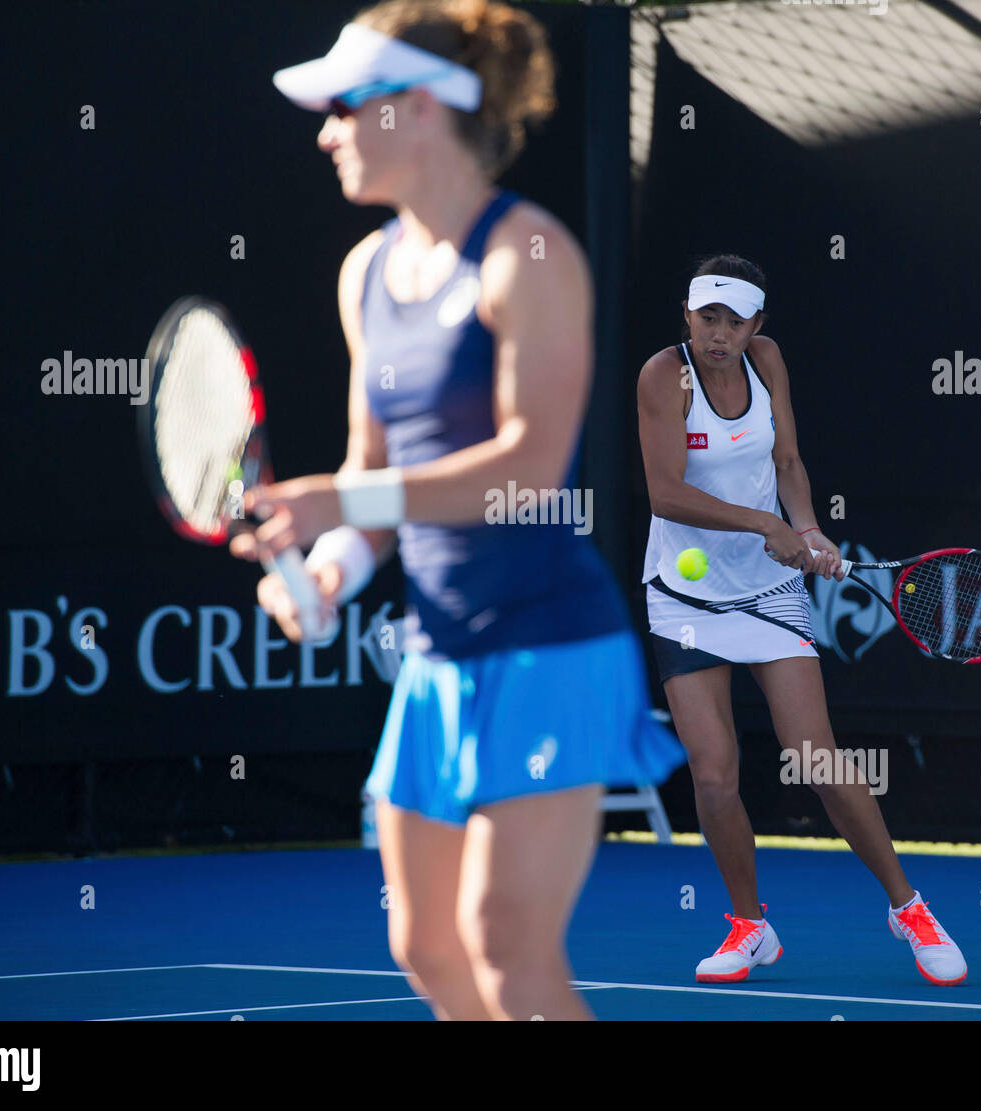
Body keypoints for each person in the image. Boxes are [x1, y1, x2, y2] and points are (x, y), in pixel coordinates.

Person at [232, 0, 684, 1020]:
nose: (327, 130)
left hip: (552, 649)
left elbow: (528, 466)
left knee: (508, 944)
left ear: (420, 108)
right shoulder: (365, 276)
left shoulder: (530, 255)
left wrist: (333, 502)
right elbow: (376, 479)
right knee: (426, 947)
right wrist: (336, 567)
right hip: (438, 658)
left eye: (346, 105)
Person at [636, 255, 967, 986]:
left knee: (817, 757)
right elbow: (664, 492)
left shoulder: (767, 362)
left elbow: (786, 458)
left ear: (757, 325)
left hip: (770, 589)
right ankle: (750, 927)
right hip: (684, 597)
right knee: (715, 774)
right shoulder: (665, 376)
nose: (719, 334)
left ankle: (908, 908)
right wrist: (764, 524)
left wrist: (808, 527)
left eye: (735, 321)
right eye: (707, 317)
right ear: (686, 316)